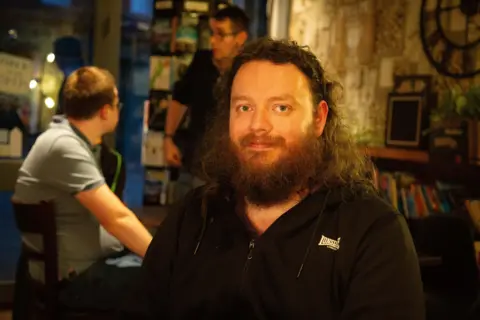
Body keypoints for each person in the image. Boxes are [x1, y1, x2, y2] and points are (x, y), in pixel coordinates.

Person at [141, 38, 425, 319]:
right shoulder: (192, 216)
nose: (258, 125)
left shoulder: (371, 232)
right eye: (244, 107)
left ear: (318, 119)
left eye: (281, 108)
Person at [13, 66, 152, 312]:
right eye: (117, 103)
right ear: (105, 111)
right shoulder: (64, 146)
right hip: (74, 277)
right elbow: (117, 219)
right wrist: (164, 260)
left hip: (77, 268)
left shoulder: (68, 140)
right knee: (166, 286)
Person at [163, 5, 249, 187]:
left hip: (233, 165)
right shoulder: (201, 62)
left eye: (221, 34)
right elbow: (180, 99)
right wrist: (168, 138)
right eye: (212, 33)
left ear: (240, 38)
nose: (213, 41)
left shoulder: (248, 69)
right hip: (196, 158)